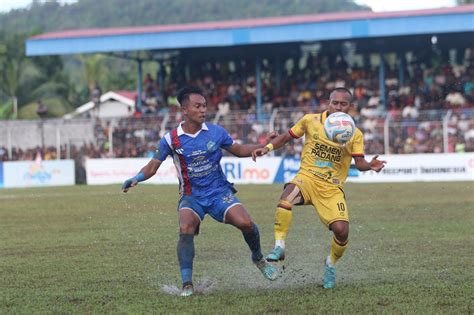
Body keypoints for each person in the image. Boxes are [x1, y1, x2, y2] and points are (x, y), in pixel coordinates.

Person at [122, 86, 277, 297]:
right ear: (184, 110)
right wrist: (136, 178)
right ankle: (187, 285)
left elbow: (238, 149)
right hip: (191, 196)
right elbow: (152, 166)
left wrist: (263, 146)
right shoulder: (171, 139)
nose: (203, 110)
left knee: (247, 223)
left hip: (218, 192)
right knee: (185, 227)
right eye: (198, 106)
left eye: (204, 106)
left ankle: (258, 258)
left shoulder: (216, 132)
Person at [252, 87, 386, 289]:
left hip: (331, 188)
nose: (338, 107)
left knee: (341, 231)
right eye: (335, 102)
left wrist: (371, 166)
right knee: (286, 198)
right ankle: (279, 246)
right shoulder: (310, 120)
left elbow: (359, 163)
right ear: (328, 102)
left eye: (343, 104)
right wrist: (267, 147)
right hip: (307, 178)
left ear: (350, 107)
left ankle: (330, 264)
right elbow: (287, 137)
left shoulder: (354, 133)